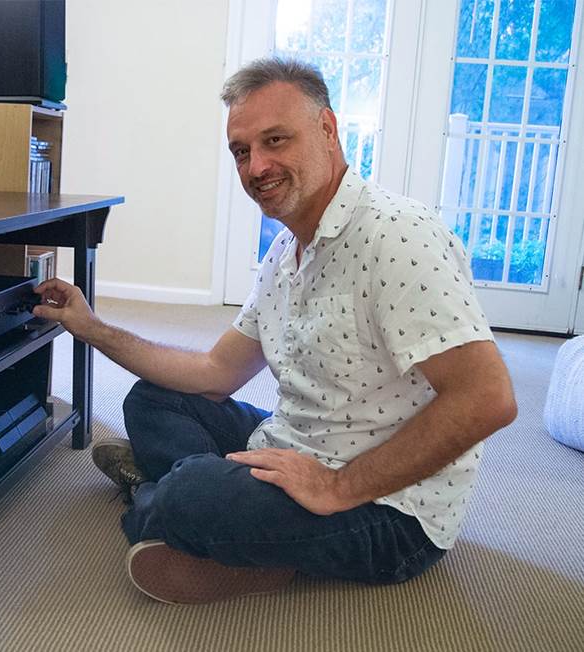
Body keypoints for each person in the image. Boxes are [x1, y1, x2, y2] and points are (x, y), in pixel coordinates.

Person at [31, 57, 518, 605]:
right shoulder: (286, 251)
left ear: (328, 130)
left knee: (190, 494)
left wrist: (338, 487)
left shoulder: (398, 237)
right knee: (153, 400)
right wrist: (92, 328)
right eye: (242, 150)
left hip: (388, 511)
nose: (256, 165)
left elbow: (488, 399)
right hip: (292, 446)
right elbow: (214, 374)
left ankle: (166, 502)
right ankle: (206, 518)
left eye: (276, 140)